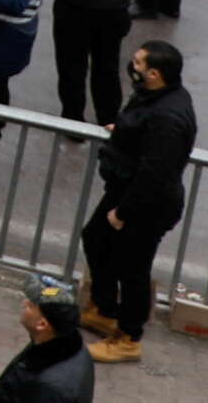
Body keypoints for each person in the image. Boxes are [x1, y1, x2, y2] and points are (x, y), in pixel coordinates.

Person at [79, 38, 193, 360]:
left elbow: (155, 173)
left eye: (139, 63)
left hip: (145, 204)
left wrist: (124, 212)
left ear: (155, 74)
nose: (133, 66)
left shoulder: (167, 118)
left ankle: (128, 337)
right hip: (126, 190)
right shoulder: (157, 97)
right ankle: (104, 309)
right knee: (95, 239)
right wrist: (124, 131)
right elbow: (140, 129)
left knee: (132, 269)